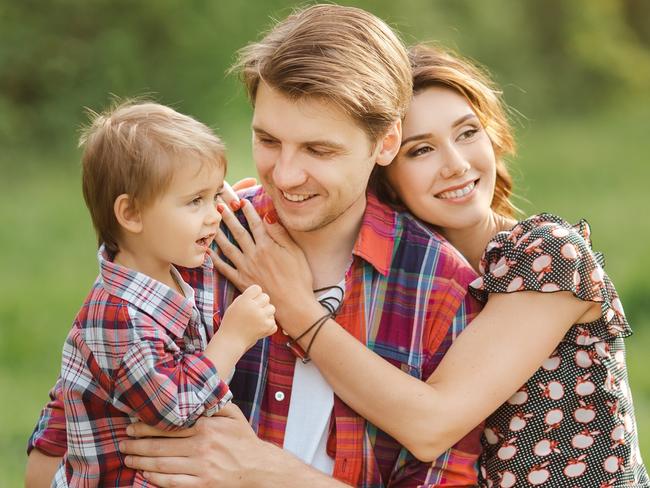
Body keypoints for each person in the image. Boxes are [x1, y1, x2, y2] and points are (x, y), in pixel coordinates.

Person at [26, 5, 486, 487]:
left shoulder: (440, 288)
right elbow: (59, 442)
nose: (285, 176)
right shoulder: (196, 243)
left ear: (386, 142)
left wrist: (264, 475)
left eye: (319, 150)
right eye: (268, 140)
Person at [211, 45, 650, 487]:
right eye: (421, 150)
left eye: (467, 133)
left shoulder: (546, 254)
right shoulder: (411, 271)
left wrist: (294, 304)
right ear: (381, 164)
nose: (456, 166)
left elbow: (430, 425)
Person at [27, 101, 277, 487]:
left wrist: (219, 203)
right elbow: (175, 408)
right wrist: (233, 338)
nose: (212, 214)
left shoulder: (166, 265)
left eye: (214, 196)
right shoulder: (118, 317)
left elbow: (203, 257)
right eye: (195, 200)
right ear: (131, 214)